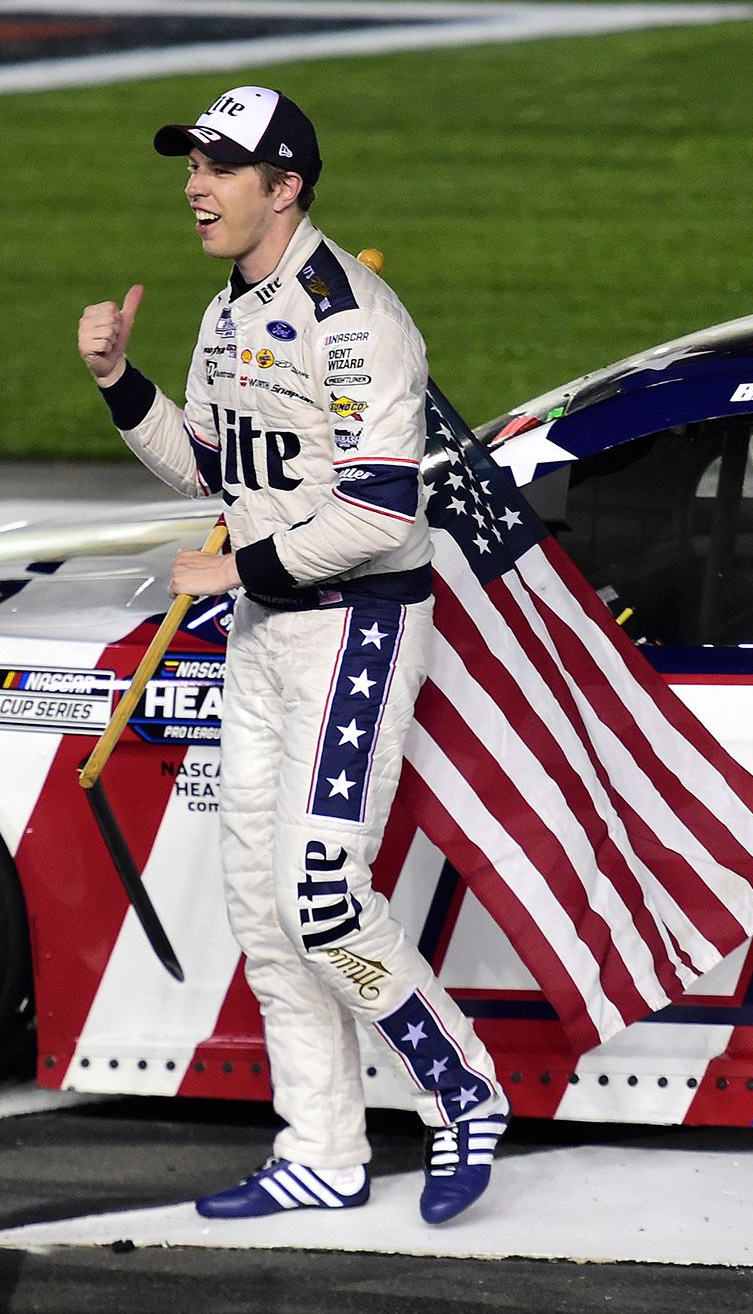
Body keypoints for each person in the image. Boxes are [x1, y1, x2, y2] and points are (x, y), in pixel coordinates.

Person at [77, 86, 509, 1225]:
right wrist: (123, 385)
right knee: (261, 913)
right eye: (191, 163)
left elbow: (378, 516)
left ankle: (462, 1091)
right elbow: (214, 472)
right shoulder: (228, 313)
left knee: (318, 898)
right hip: (267, 635)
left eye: (219, 167)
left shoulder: (358, 320)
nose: (193, 185)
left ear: (285, 185)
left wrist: (238, 574)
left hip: (355, 628)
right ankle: (319, 1149)